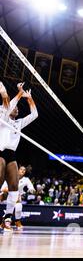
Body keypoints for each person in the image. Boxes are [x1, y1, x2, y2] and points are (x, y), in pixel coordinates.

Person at [0, 84, 37, 231]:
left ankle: (7, 218)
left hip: (12, 155)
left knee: (14, 186)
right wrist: (18, 93)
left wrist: (29, 99)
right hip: (0, 152)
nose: (17, 109)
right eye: (15, 108)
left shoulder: (19, 123)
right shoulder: (3, 116)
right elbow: (8, 104)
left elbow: (35, 115)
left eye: (18, 109)